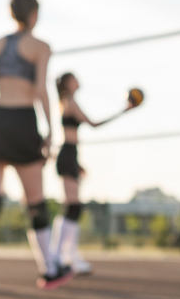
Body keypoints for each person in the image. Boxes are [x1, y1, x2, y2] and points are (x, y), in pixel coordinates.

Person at [0, 0, 72, 291]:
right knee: (35, 203)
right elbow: (41, 90)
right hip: (23, 121)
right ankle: (49, 270)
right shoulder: (41, 46)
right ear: (34, 14)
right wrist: (51, 130)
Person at [50, 73, 133, 274]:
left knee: (72, 207)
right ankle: (63, 257)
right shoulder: (70, 101)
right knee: (73, 207)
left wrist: (76, 162)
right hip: (67, 153)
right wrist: (124, 110)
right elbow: (93, 124)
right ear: (68, 83)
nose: (78, 81)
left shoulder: (65, 101)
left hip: (70, 154)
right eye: (74, 78)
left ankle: (65, 255)